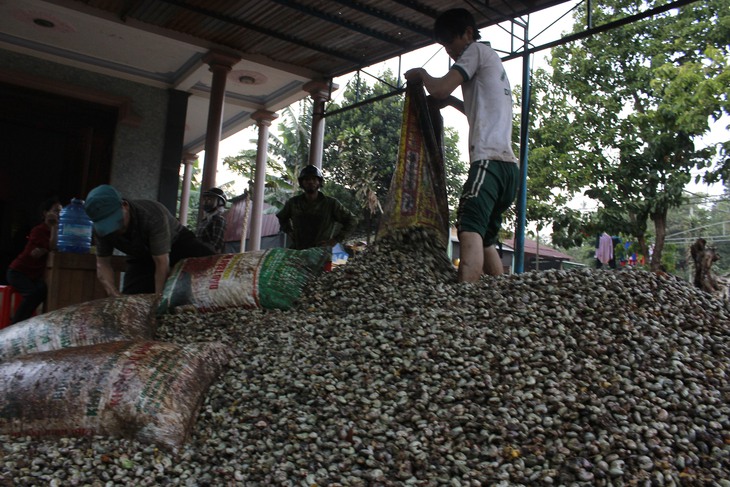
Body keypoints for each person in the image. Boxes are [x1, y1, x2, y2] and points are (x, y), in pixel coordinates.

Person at [404, 8, 519, 282]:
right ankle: (499, 294)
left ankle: (463, 303)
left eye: (450, 43)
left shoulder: (475, 51)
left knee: (468, 223)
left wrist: (421, 74)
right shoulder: (493, 63)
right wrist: (451, 103)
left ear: (467, 33)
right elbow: (477, 110)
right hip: (508, 170)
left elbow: (440, 88)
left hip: (488, 163)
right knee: (486, 235)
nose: (449, 52)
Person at [84, 184, 214, 296]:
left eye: (117, 222)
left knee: (209, 265)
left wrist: (158, 300)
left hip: (177, 243)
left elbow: (161, 263)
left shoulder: (152, 215)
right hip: (141, 255)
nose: (115, 229)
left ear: (124, 205)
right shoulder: (101, 231)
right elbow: (103, 264)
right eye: (109, 226)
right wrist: (113, 293)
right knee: (131, 297)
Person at [6, 198, 62, 323]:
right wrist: (54, 227)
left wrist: (46, 248)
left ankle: (28, 322)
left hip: (33, 276)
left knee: (42, 290)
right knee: (32, 294)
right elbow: (52, 246)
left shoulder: (57, 231)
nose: (58, 214)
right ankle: (16, 324)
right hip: (18, 272)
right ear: (45, 213)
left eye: (60, 211)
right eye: (55, 210)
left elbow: (53, 248)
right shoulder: (38, 230)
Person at [276, 165, 356, 250]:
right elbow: (282, 217)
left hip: (322, 252)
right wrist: (289, 231)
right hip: (299, 251)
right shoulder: (293, 203)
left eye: (314, 179)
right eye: (307, 179)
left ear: (319, 182)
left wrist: (335, 240)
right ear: (302, 183)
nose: (310, 182)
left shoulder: (330, 204)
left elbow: (352, 220)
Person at [196, 187, 227, 253]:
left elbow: (216, 246)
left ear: (220, 202)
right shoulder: (204, 221)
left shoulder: (218, 220)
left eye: (210, 199)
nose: (206, 202)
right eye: (205, 199)